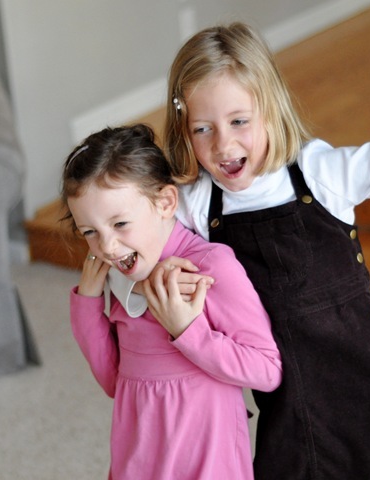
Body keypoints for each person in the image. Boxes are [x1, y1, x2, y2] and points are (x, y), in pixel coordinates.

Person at [109, 22, 370, 480]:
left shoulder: (324, 173)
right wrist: (152, 282)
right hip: (282, 404)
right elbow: (128, 249)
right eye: (202, 128)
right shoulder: (197, 204)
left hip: (363, 387)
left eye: (239, 121)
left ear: (270, 108)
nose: (223, 144)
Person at [62, 124, 282, 479]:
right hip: (138, 463)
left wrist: (187, 330)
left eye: (120, 223)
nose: (108, 247)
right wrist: (88, 301)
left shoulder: (210, 268)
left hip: (207, 467)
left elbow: (267, 371)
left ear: (165, 203)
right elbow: (114, 383)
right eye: (90, 232)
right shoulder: (123, 275)